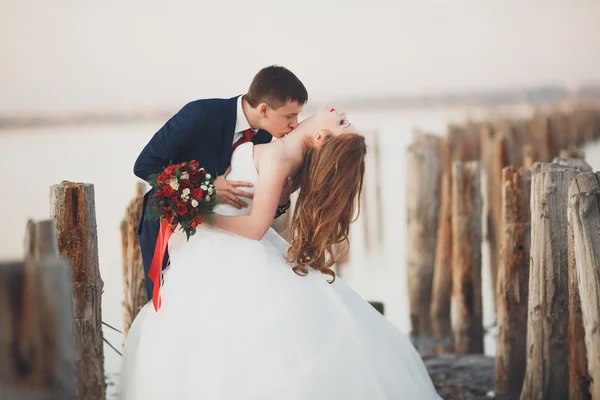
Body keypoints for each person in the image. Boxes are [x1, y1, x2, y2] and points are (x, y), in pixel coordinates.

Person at [118, 107, 442, 399]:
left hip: (225, 242)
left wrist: (200, 216)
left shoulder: (277, 156)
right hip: (216, 242)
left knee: (216, 338)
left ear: (320, 136)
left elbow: (256, 226)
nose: (338, 111)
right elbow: (262, 202)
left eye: (342, 122)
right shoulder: (282, 147)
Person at [133, 65, 308, 300]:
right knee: (170, 305)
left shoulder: (265, 137)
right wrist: (205, 186)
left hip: (224, 242)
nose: (295, 124)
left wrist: (283, 198)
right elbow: (145, 165)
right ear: (264, 109)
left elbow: (251, 204)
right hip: (170, 230)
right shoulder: (201, 114)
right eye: (289, 116)